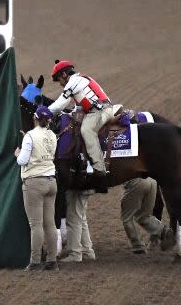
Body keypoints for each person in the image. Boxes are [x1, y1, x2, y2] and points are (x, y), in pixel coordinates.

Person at [47, 60, 114, 192]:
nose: (60, 83)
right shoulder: (80, 80)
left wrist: (44, 112)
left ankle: (100, 171)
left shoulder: (74, 81)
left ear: (65, 74)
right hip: (97, 110)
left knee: (87, 130)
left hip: (100, 111)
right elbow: (78, 106)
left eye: (59, 79)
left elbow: (61, 103)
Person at [15, 105, 59, 272]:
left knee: (36, 225)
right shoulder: (52, 136)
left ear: (34, 118)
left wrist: (18, 154)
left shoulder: (30, 136)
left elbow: (22, 160)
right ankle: (52, 261)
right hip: (51, 182)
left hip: (34, 182)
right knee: (50, 224)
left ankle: (34, 262)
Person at [120, 178, 163, 255]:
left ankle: (137, 245)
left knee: (126, 218)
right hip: (152, 182)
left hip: (135, 182)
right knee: (144, 217)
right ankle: (165, 233)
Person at [59, 184, 96, 263]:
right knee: (81, 219)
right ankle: (87, 251)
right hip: (86, 185)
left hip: (77, 187)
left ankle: (75, 253)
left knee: (73, 219)